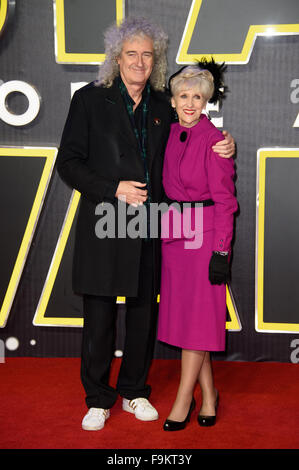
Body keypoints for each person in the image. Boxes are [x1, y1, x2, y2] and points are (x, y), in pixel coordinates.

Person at [56, 17, 236, 431]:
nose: (139, 61)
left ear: (155, 62)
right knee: (99, 315)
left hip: (152, 224)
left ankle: (135, 391)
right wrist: (111, 188)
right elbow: (68, 164)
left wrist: (227, 143)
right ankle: (98, 398)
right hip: (106, 216)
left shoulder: (163, 104)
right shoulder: (87, 99)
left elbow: (196, 137)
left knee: (141, 315)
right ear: (117, 57)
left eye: (147, 55)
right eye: (131, 53)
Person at [157, 60, 238, 430]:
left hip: (206, 239)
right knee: (193, 322)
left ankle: (183, 399)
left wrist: (221, 251)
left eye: (198, 97)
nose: (190, 103)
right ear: (172, 100)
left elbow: (226, 202)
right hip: (174, 238)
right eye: (183, 96)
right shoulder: (167, 133)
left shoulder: (215, 141)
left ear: (207, 101)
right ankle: (210, 393)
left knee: (197, 320)